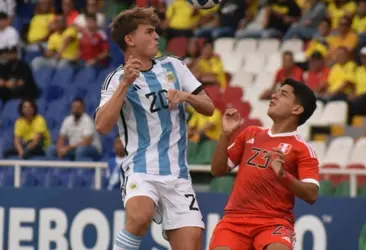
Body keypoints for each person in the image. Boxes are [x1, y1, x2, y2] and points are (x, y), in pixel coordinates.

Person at [95, 7, 214, 250]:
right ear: (130, 40)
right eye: (149, 32)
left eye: (156, 32)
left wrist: (186, 96)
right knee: (139, 218)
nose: (156, 37)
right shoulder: (117, 78)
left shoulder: (174, 66)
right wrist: (125, 85)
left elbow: (209, 107)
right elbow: (102, 125)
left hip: (178, 175)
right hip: (141, 169)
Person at [209, 78, 319, 250]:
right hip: (235, 220)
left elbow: (312, 194)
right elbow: (217, 170)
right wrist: (225, 135)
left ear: (297, 109)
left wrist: (284, 176)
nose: (274, 96)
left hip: (275, 222)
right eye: (276, 92)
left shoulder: (303, 149)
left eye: (283, 94)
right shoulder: (250, 133)